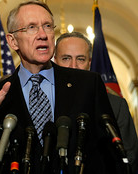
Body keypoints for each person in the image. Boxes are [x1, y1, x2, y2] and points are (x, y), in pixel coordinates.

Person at [0, 1, 125, 174]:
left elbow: (112, 156)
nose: (43, 34)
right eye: (31, 27)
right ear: (13, 41)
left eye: (48, 26)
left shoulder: (88, 84)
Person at [54, 31, 138, 173]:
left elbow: (130, 158)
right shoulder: (45, 101)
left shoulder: (116, 106)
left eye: (80, 59)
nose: (73, 66)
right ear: (55, 61)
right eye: (66, 58)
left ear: (89, 63)